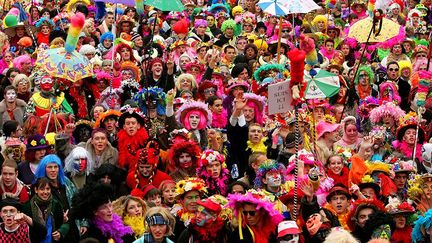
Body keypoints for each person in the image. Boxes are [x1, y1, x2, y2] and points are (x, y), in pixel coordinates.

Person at [22, 177, 70, 242]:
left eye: (48, 189)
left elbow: (66, 223)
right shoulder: (27, 207)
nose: (45, 192)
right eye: (42, 189)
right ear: (36, 190)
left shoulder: (56, 204)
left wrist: (60, 232)